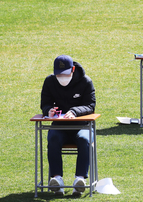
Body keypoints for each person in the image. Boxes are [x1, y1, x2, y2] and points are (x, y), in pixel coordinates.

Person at [41, 55, 96, 196]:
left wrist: (74, 112)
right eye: (58, 74)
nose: (61, 78)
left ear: (72, 70)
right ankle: (57, 180)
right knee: (52, 138)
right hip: (59, 126)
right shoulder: (49, 81)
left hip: (81, 126)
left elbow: (91, 105)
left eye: (65, 74)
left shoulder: (85, 82)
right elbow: (45, 103)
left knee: (84, 140)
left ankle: (80, 180)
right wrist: (49, 110)